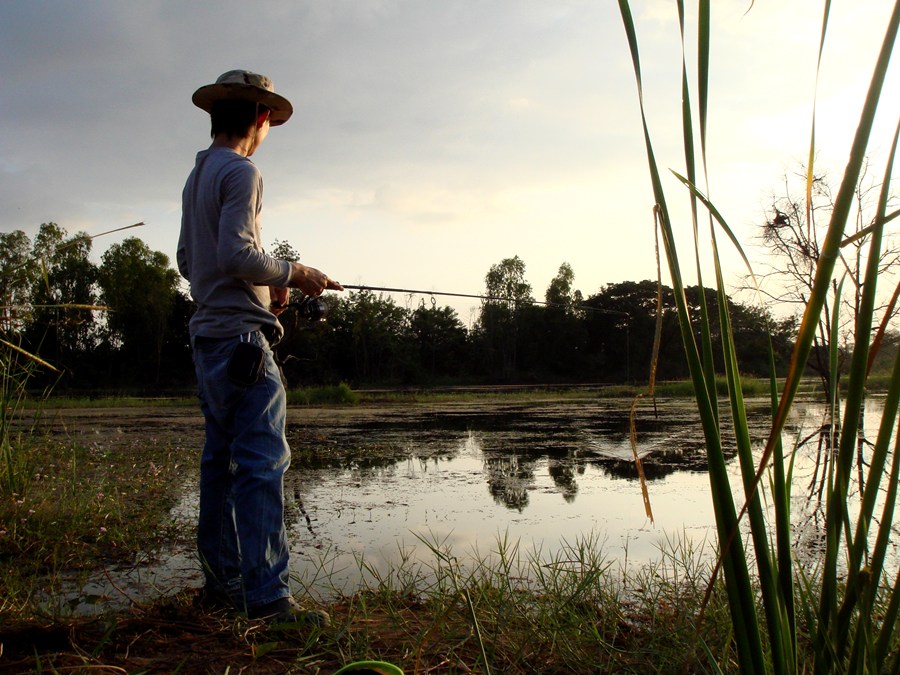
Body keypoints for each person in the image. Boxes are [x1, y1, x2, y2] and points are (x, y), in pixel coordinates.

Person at [177, 69, 342, 622]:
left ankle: (222, 587)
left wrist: (261, 289)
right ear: (263, 118)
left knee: (220, 465)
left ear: (214, 115)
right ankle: (270, 601)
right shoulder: (243, 171)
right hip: (243, 346)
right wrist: (296, 273)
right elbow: (236, 255)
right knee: (263, 464)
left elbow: (190, 261)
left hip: (208, 339)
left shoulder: (198, 174)